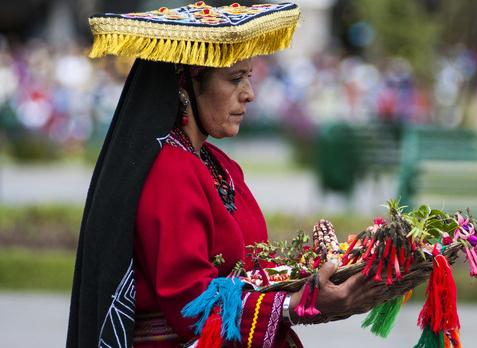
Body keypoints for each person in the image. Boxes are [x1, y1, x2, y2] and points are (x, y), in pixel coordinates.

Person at [67, 3, 384, 347]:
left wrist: (333, 269)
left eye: (248, 76)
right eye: (234, 79)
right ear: (183, 84)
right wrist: (298, 304)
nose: (249, 93)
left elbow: (256, 270)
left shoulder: (218, 163)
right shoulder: (169, 170)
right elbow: (193, 307)